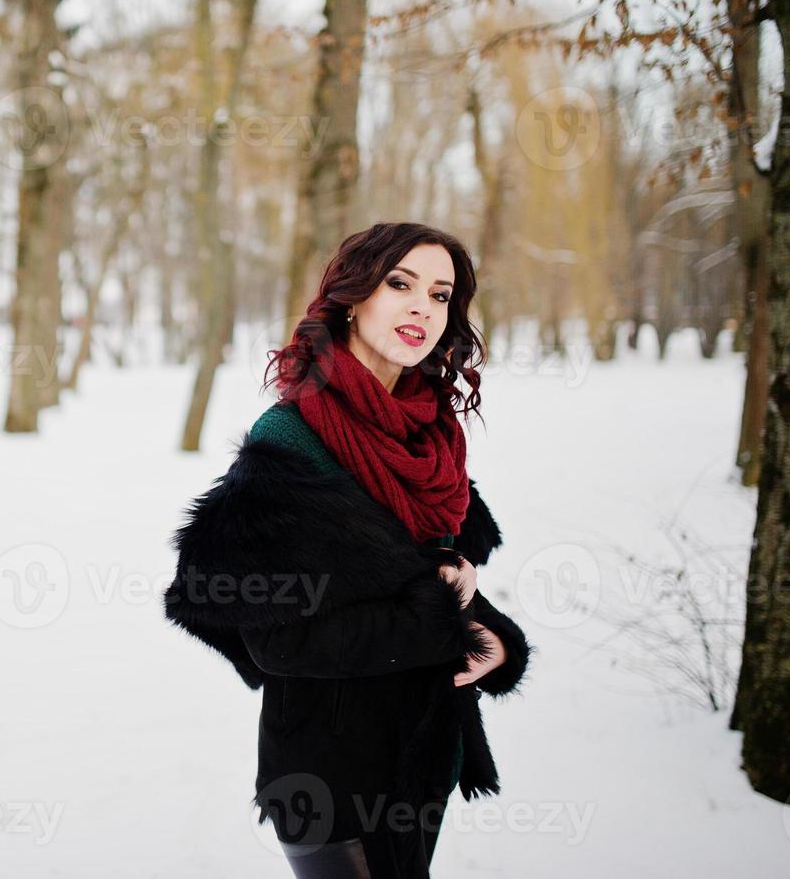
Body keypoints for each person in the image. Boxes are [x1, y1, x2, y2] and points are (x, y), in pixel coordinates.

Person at [164, 221, 533, 879]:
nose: (422, 305)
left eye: (441, 294)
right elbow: (275, 641)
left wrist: (497, 641)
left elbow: (439, 577)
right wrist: (438, 621)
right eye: (399, 284)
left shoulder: (431, 438)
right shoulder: (294, 439)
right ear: (352, 297)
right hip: (327, 776)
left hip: (422, 760)